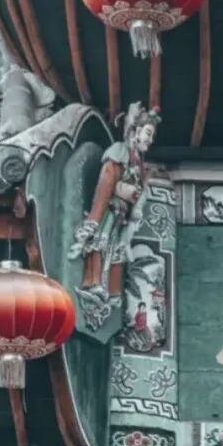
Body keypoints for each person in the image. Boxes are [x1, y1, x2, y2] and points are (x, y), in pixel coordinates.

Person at [70, 102, 160, 330]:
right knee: (99, 243)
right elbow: (108, 179)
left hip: (122, 218)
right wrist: (97, 216)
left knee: (117, 252)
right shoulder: (120, 152)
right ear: (135, 131)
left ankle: (110, 292)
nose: (150, 140)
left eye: (152, 135)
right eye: (148, 133)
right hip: (110, 211)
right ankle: (94, 284)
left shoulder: (139, 164)